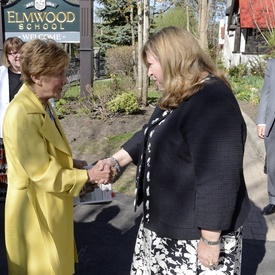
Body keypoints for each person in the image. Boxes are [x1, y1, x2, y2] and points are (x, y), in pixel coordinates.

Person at [103, 27, 251, 274]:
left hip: (194, 239)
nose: (149, 72)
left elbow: (219, 176)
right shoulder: (181, 92)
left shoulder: (213, 100)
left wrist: (211, 239)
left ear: (173, 60)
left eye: (151, 64)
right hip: (166, 228)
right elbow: (150, 132)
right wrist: (115, 161)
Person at [2, 38, 116, 275]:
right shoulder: (21, 114)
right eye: (60, 73)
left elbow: (43, 152)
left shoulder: (42, 104)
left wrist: (71, 164)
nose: (65, 80)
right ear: (37, 76)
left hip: (50, 207)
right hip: (33, 215)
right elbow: (42, 173)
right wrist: (88, 175)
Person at [0, 37, 24, 200]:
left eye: (19, 52)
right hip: (3, 130)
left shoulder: (33, 75)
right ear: (7, 56)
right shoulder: (0, 74)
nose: (16, 56)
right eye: (12, 53)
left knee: (22, 168)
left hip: (26, 131)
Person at [257, 58, 275, 215]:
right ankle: (273, 199)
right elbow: (266, 93)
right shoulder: (272, 64)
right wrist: (261, 122)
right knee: (273, 165)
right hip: (273, 123)